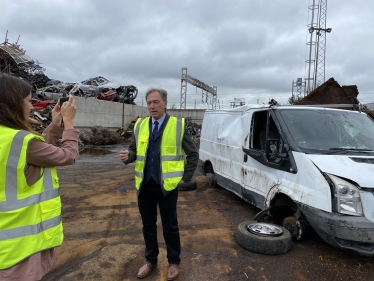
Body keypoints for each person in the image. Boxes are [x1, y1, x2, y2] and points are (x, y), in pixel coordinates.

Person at [0, 74, 79, 281]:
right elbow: (68, 156)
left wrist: (54, 125)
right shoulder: (19, 141)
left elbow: (35, 151)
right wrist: (68, 123)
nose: (32, 107)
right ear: (13, 104)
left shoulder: (9, 138)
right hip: (18, 247)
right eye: (28, 100)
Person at [119, 88, 198, 280]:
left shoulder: (178, 125)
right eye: (149, 103)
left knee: (170, 226)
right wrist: (127, 157)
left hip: (167, 187)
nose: (152, 106)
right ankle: (150, 260)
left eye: (156, 102)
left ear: (164, 103)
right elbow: (133, 151)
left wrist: (185, 177)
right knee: (148, 225)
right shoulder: (140, 125)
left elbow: (193, 154)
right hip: (144, 185)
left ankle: (173, 262)